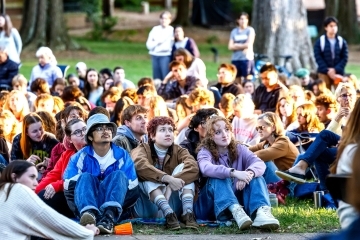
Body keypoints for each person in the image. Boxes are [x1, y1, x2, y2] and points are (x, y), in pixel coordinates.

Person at [195, 116, 280, 230]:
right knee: (218, 177)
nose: (224, 134)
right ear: (210, 136)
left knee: (256, 176)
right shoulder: (204, 151)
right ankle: (235, 210)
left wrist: (248, 174)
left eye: (227, 129)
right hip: (209, 206)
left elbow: (259, 163)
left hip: (239, 205)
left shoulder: (239, 148)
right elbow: (206, 168)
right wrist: (234, 173)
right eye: (218, 132)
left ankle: (261, 212)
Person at [63, 113, 139, 234]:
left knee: (119, 175)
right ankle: (89, 216)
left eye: (108, 128)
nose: (105, 131)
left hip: (115, 203)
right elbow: (68, 186)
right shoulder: (79, 157)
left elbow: (133, 186)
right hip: (86, 201)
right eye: (99, 128)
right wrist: (96, 184)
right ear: (91, 137)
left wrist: (106, 185)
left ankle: (108, 218)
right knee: (85, 177)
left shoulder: (122, 155)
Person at [0, 160, 99, 239]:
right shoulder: (17, 190)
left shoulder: (4, 192)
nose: (36, 183)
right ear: (14, 177)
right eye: (31, 177)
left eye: (36, 178)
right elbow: (54, 221)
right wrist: (87, 232)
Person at [131, 116, 199, 230]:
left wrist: (170, 187)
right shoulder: (142, 148)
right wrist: (168, 179)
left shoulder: (179, 150)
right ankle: (167, 212)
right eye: (162, 130)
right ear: (152, 136)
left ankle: (187, 214)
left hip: (172, 203)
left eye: (170, 130)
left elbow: (194, 168)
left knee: (185, 169)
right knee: (147, 176)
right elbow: (140, 166)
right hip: (147, 207)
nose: (168, 133)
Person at [36, 119, 87, 218]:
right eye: (77, 132)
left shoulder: (95, 150)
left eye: (85, 129)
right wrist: (33, 194)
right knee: (41, 196)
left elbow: (84, 177)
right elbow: (53, 175)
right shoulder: (67, 154)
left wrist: (57, 185)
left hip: (88, 196)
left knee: (43, 198)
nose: (83, 133)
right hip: (69, 195)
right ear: (69, 139)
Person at [248, 112, 298, 184]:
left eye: (262, 127)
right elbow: (247, 150)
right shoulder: (267, 143)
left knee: (265, 162)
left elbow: (260, 155)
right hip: (281, 181)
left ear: (273, 127)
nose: (259, 131)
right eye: (257, 128)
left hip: (290, 185)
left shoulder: (283, 143)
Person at [314, 16, 348, 90]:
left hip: (338, 72)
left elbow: (344, 57)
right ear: (326, 28)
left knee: (340, 92)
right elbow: (318, 57)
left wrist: (335, 69)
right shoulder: (320, 41)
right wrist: (328, 70)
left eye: (335, 26)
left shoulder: (341, 41)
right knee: (324, 91)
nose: (333, 28)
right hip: (324, 72)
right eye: (331, 26)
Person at [146, 11, 174, 80]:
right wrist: (158, 42)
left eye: (166, 18)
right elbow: (149, 45)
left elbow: (169, 46)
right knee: (156, 77)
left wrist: (156, 44)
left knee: (165, 76)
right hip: (155, 55)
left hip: (165, 55)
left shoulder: (171, 30)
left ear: (170, 20)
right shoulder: (155, 29)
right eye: (162, 18)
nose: (164, 20)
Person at [228, 12, 255, 81]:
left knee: (247, 80)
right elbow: (230, 46)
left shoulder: (250, 30)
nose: (243, 21)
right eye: (241, 19)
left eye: (245, 19)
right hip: (236, 59)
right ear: (238, 20)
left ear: (247, 20)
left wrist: (236, 45)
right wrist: (242, 46)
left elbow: (248, 44)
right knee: (237, 80)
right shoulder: (234, 32)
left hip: (246, 59)